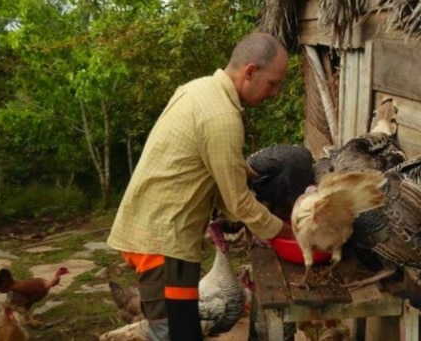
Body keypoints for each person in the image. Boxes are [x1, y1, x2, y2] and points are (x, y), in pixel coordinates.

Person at [106, 33, 293, 341]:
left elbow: (213, 168)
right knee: (175, 332)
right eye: (273, 83)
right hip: (163, 239)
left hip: (159, 229)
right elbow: (238, 203)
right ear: (249, 72)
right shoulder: (221, 117)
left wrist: (243, 172)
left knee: (181, 329)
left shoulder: (198, 89)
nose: (276, 93)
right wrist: (288, 232)